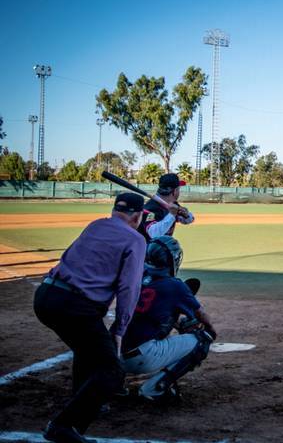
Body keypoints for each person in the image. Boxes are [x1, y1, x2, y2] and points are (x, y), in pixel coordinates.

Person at [34, 193, 146, 443]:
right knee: (112, 371)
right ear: (138, 216)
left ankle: (81, 399)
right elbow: (129, 288)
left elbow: (69, 256)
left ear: (115, 209)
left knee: (85, 350)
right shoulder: (136, 240)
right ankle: (63, 426)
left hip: (45, 296)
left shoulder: (95, 225)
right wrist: (119, 329)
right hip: (75, 307)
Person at [121, 236, 217, 400]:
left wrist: (176, 322)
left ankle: (115, 384)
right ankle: (155, 388)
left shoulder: (138, 277)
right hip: (142, 357)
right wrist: (211, 330)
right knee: (203, 340)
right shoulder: (174, 285)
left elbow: (151, 312)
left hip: (113, 354)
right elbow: (201, 315)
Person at [139, 173, 195, 242]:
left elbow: (189, 220)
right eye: (178, 189)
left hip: (163, 249)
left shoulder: (173, 204)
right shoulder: (150, 208)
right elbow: (153, 234)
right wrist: (172, 215)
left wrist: (186, 215)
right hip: (148, 251)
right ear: (174, 191)